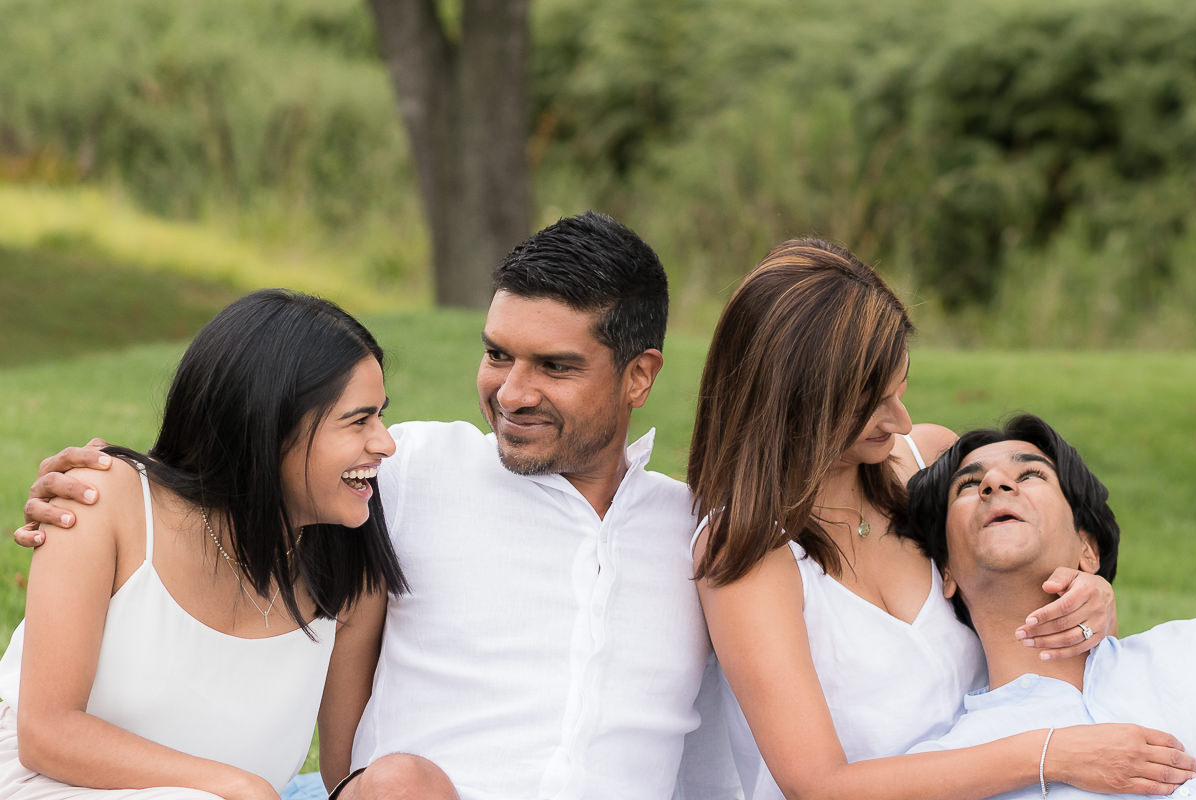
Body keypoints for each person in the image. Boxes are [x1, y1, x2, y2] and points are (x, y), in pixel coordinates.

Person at [19, 212, 738, 800]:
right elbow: (246, 458)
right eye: (496, 355)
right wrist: (89, 486)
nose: (512, 394)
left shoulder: (699, 535)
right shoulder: (404, 475)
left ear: (639, 376)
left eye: (554, 367)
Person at [686, 238, 1196, 799]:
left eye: (899, 387)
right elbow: (819, 787)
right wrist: (1052, 752)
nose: (900, 417)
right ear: (800, 402)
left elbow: (1022, 589)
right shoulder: (749, 551)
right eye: (872, 403)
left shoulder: (927, 462)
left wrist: (1091, 596)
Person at [0, 290, 409, 799]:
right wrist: (238, 787)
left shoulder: (349, 573)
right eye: (359, 419)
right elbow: (46, 735)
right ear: (270, 425)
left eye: (381, 415)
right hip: (44, 784)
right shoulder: (104, 501)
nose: (386, 442)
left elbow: (344, 775)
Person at [904, 413, 1196, 798]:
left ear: (1087, 549)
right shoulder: (941, 773)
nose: (994, 483)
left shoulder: (1187, 650)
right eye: (969, 485)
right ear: (947, 572)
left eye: (1030, 475)